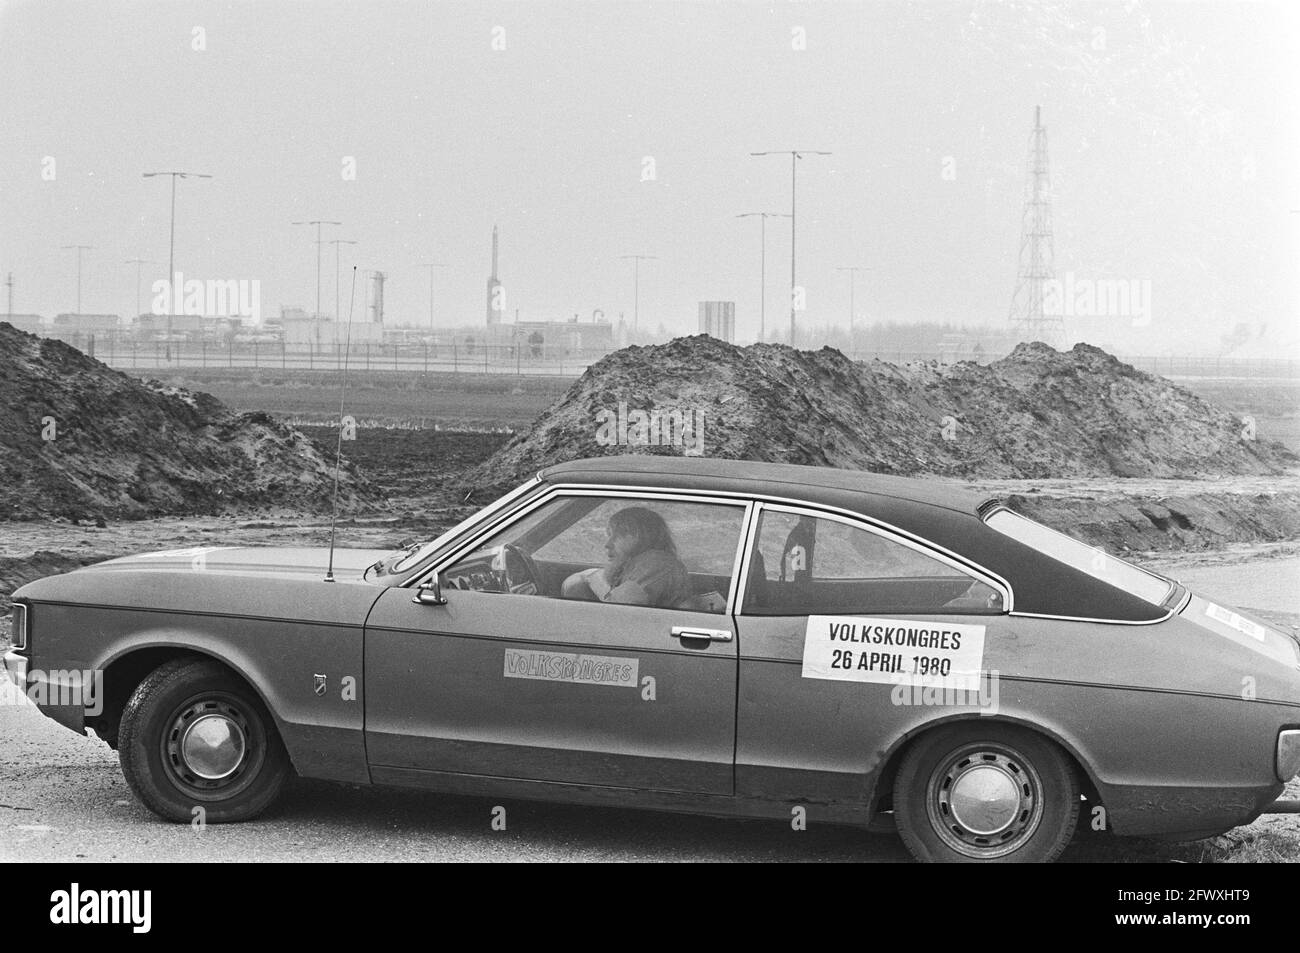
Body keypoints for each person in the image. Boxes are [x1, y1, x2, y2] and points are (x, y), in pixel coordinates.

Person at [561, 506, 691, 608]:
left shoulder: (658, 563)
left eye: (616, 536)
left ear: (639, 536)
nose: (608, 544)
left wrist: (590, 577)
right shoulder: (639, 562)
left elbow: (620, 604)